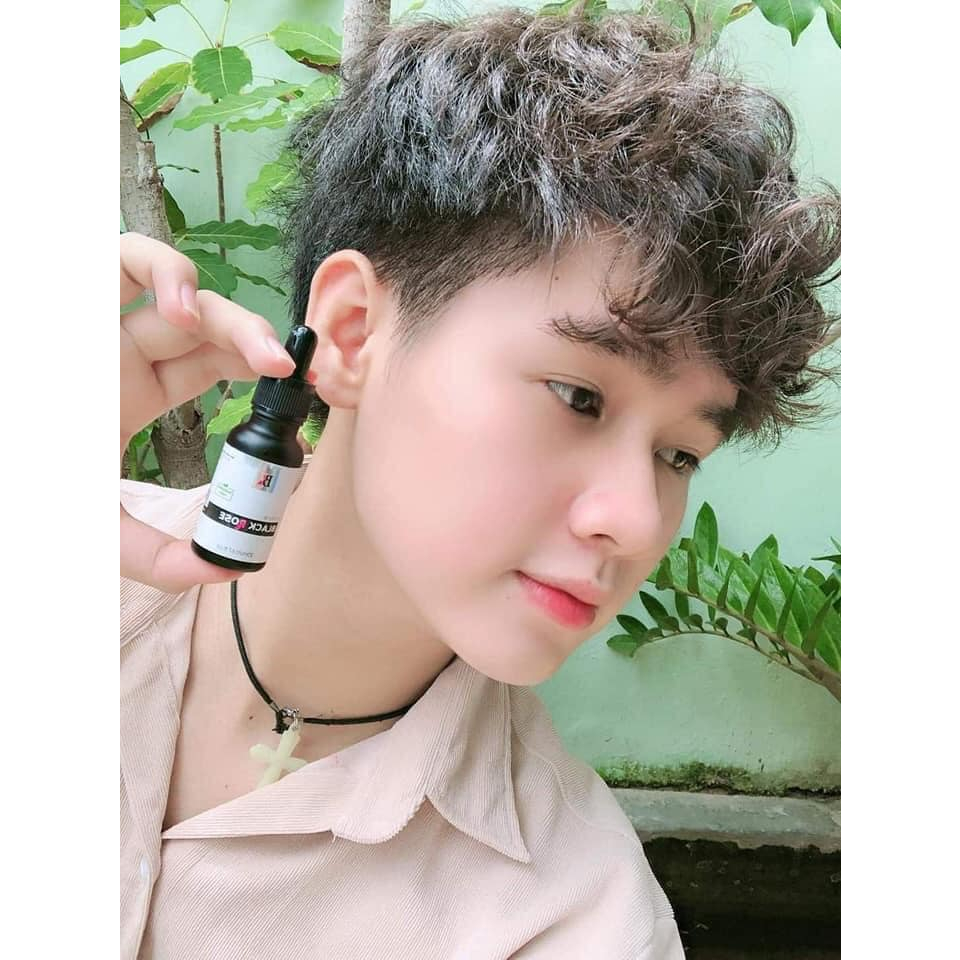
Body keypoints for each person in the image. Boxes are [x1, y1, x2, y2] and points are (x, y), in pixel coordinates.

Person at [120, 6, 840, 958]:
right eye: (579, 397)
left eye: (679, 456)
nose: (635, 521)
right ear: (353, 333)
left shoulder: (575, 919)